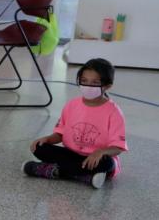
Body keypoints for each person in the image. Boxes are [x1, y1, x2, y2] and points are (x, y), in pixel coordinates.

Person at [25, 57, 127, 189]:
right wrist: (48, 139)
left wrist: (100, 152)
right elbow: (60, 134)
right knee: (40, 148)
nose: (88, 86)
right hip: (72, 154)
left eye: (95, 82)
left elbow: (118, 147)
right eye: (84, 81)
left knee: (107, 164)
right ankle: (83, 175)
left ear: (107, 86)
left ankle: (54, 170)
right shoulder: (71, 105)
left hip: (96, 159)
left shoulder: (114, 112)